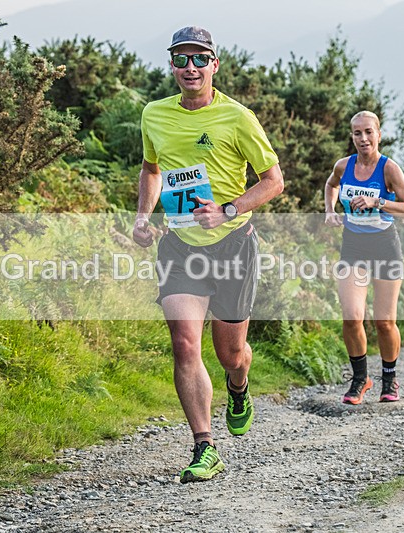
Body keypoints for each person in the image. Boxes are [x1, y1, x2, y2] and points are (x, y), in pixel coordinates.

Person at [132, 26, 284, 483]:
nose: (191, 68)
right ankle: (204, 446)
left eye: (201, 59)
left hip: (234, 243)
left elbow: (274, 180)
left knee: (231, 353)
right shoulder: (154, 115)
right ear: (172, 65)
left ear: (215, 65)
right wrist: (142, 215)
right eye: (182, 59)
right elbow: (151, 168)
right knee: (184, 343)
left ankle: (238, 387)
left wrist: (228, 209)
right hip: (179, 245)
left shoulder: (238, 117)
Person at [324, 111, 404, 405]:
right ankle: (360, 379)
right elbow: (331, 185)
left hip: (384, 245)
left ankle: (389, 379)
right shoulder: (344, 166)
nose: (363, 139)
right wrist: (330, 211)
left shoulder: (389, 169)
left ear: (379, 134)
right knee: (352, 316)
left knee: (384, 322)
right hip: (353, 245)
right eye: (357, 133)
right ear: (351, 136)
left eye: (368, 132)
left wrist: (378, 201)